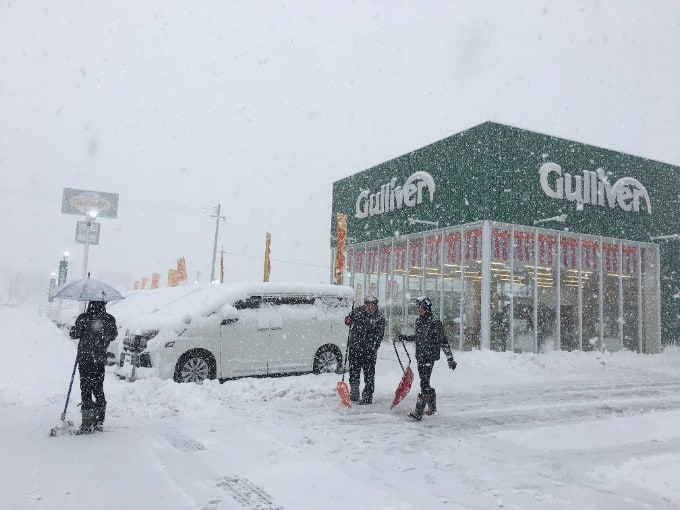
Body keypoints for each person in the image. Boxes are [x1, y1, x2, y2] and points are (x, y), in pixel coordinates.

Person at [399, 296, 456, 420]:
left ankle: (419, 411)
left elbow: (443, 340)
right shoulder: (419, 321)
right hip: (420, 355)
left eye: (421, 307)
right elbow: (418, 337)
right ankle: (432, 407)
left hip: (429, 356)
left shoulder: (435, 322)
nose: (419, 309)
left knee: (424, 383)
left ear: (426, 307)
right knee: (425, 382)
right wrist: (406, 337)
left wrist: (450, 358)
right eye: (418, 307)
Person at [69, 301, 117, 434]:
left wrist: (78, 327)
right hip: (99, 360)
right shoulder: (109, 319)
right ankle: (99, 420)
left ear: (90, 304)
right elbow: (113, 336)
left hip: (85, 359)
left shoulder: (84, 318)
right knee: (98, 388)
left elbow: (74, 334)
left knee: (85, 389)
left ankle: (87, 422)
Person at [344, 295, 386, 405]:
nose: (368, 307)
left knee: (369, 374)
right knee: (354, 371)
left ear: (375, 306)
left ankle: (367, 396)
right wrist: (348, 320)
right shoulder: (357, 311)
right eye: (367, 305)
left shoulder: (379, 317)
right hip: (355, 348)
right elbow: (348, 319)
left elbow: (380, 334)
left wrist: (375, 347)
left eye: (371, 305)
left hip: (369, 350)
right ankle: (354, 393)